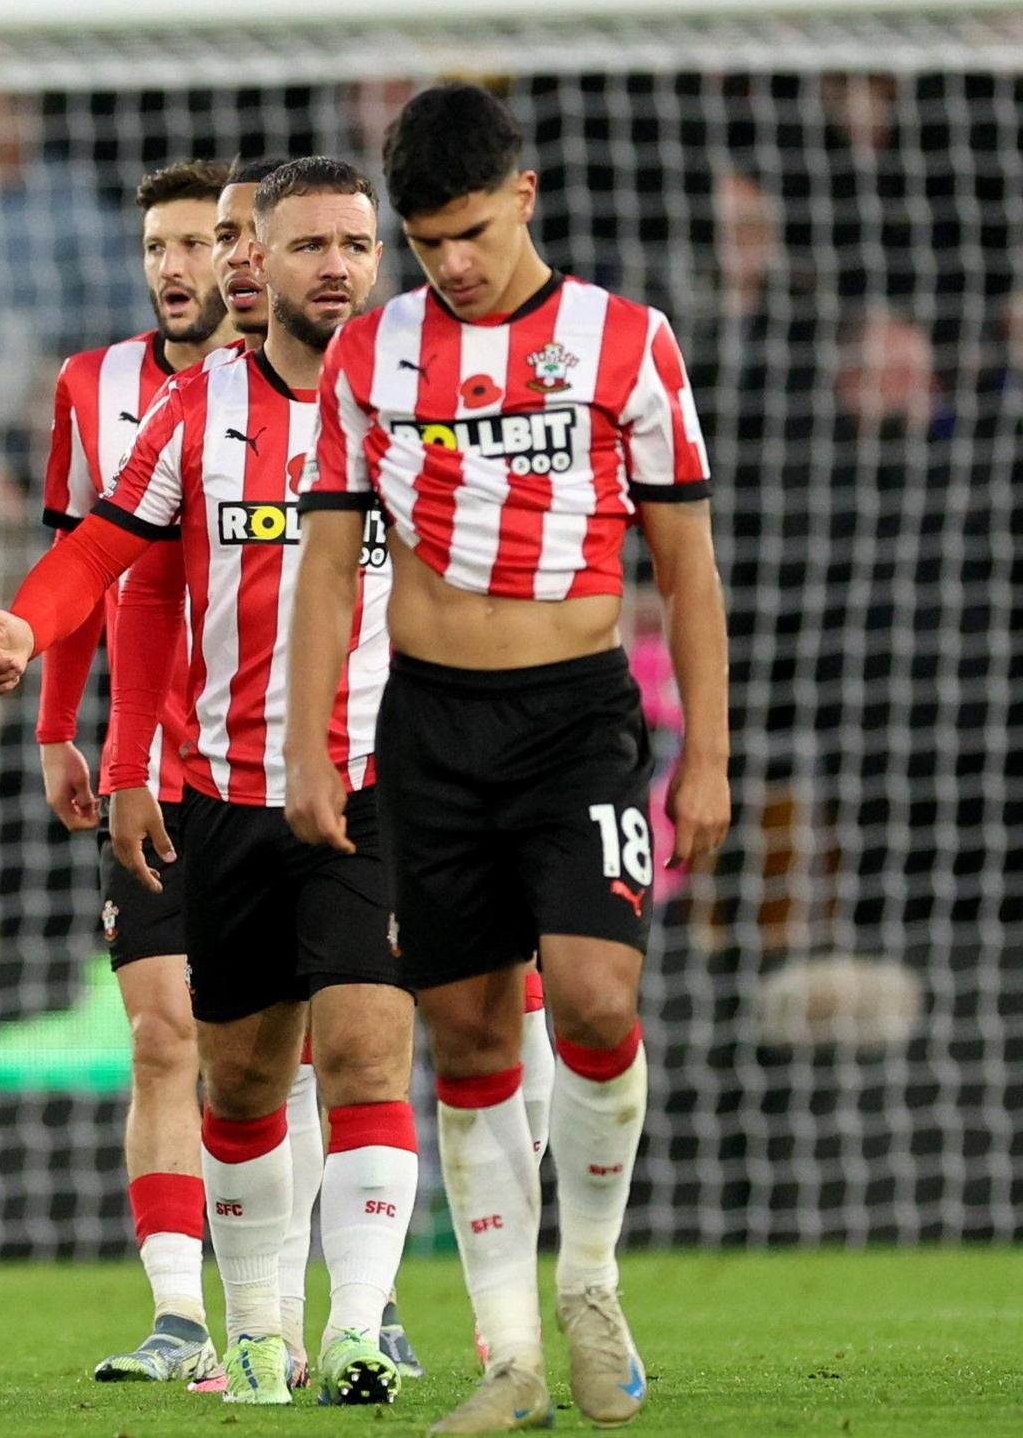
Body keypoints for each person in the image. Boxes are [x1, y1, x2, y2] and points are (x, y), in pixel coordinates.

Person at [284, 85, 729, 1434]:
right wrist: (310, 744)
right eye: (426, 242)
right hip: (429, 721)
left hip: (580, 717)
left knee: (594, 996)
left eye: (470, 231)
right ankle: (513, 1353)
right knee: (468, 1030)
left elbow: (687, 561)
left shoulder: (626, 343)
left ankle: (589, 1281)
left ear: (524, 196)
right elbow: (323, 564)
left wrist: (706, 749)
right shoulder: (371, 358)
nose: (452, 263)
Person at [0, 156, 414, 1407]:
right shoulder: (195, 408)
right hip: (219, 784)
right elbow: (111, 542)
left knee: (371, 1051)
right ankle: (258, 1325)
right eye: (309, 245)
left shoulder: (417, 403)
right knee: (236, 1078)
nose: (335, 265)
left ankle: (361, 1327)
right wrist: (26, 625)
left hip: (373, 777)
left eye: (355, 244)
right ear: (255, 265)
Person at [30, 157, 235, 1389]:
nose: (173, 268)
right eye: (156, 246)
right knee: (162, 1034)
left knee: (287, 1046)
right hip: (147, 758)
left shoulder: (308, 386)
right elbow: (80, 554)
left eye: (196, 245)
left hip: (285, 757)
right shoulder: (88, 384)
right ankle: (178, 1314)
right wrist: (63, 725)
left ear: (240, 255)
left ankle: (321, 1302)